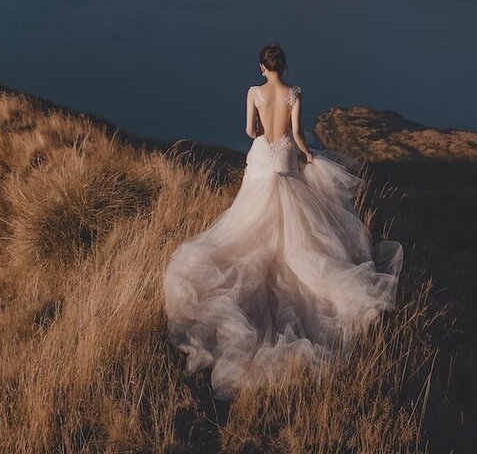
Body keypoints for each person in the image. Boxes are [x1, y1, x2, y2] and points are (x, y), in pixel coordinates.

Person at [162, 44, 402, 399]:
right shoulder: (293, 94)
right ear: (284, 66)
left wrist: (262, 134)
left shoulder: (253, 92)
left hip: (262, 156)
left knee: (251, 215)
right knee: (295, 214)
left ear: (262, 67)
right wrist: (307, 156)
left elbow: (249, 130)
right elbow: (298, 133)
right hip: (286, 156)